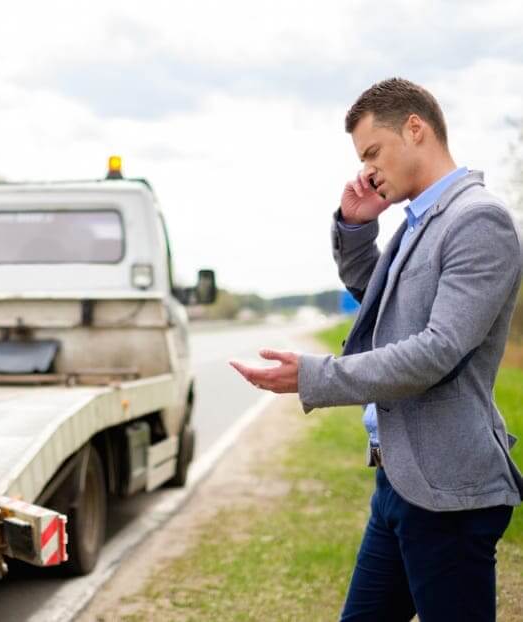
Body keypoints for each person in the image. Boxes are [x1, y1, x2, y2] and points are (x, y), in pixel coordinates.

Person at [230, 77, 523, 621]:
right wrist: (356, 228)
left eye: (372, 152)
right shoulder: (417, 221)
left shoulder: (477, 220)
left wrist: (316, 376)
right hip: (399, 480)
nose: (367, 170)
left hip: (449, 492)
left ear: (415, 128)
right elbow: (382, 307)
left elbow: (436, 352)